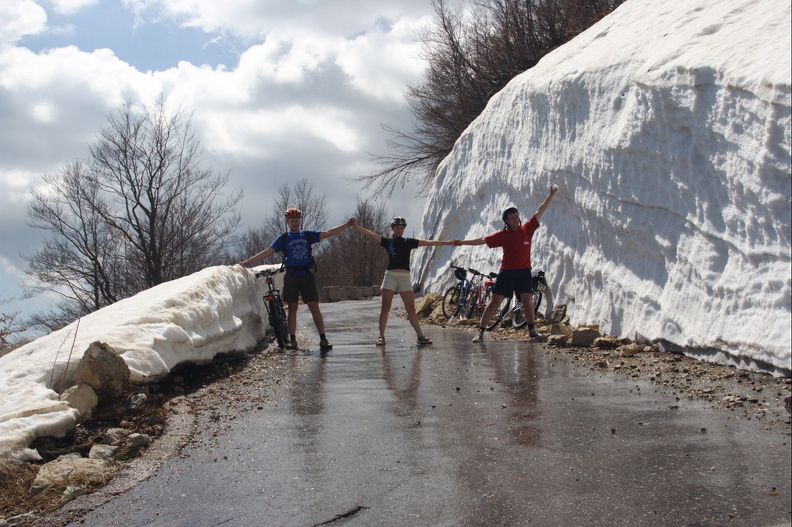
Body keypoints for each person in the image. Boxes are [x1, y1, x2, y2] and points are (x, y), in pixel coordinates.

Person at [453, 184, 558, 342]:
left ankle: (532, 330)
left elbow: (539, 212)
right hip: (507, 272)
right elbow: (482, 240)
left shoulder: (527, 229)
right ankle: (481, 332)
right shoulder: (503, 235)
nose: (515, 219)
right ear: (507, 221)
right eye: (512, 218)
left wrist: (550, 195)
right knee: (495, 302)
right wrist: (462, 242)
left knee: (527, 300)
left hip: (524, 272)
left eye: (516, 216)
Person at [239, 208, 354, 351]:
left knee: (314, 307)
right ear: (288, 222)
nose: (294, 223)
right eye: (292, 221)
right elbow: (267, 252)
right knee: (292, 308)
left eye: (296, 220)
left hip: (307, 275)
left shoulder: (306, 235)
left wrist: (347, 225)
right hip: (292, 276)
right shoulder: (284, 238)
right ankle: (292, 340)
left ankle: (323, 338)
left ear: (300, 221)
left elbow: (328, 233)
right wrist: (246, 263)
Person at [351, 216, 453, 346]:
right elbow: (371, 234)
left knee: (410, 309)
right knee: (385, 308)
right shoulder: (387, 242)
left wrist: (447, 242)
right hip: (390, 276)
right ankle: (381, 336)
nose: (399, 230)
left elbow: (427, 242)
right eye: (397, 228)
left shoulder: (408, 242)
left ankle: (420, 336)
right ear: (392, 229)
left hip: (405, 278)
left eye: (401, 228)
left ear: (403, 229)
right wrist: (356, 226)